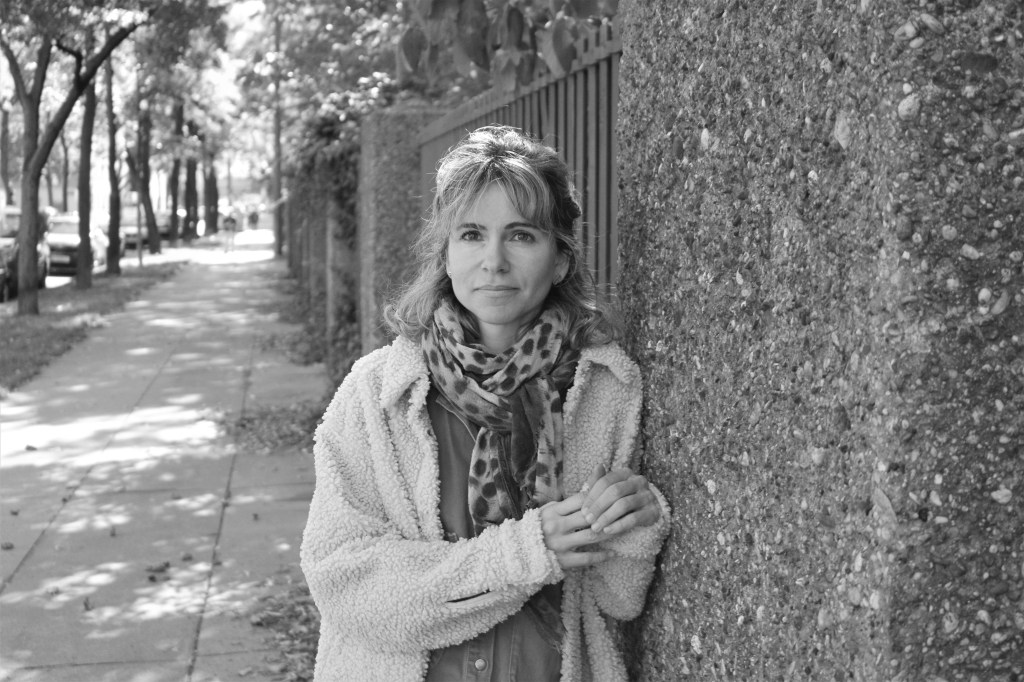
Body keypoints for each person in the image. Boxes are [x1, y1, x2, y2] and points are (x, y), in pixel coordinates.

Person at [300, 126, 670, 682]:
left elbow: (617, 600)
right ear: (446, 255)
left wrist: (635, 522)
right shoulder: (378, 392)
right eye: (472, 234)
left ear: (561, 259)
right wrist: (523, 553)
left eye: (521, 235)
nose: (494, 260)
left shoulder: (604, 388)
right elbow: (343, 582)